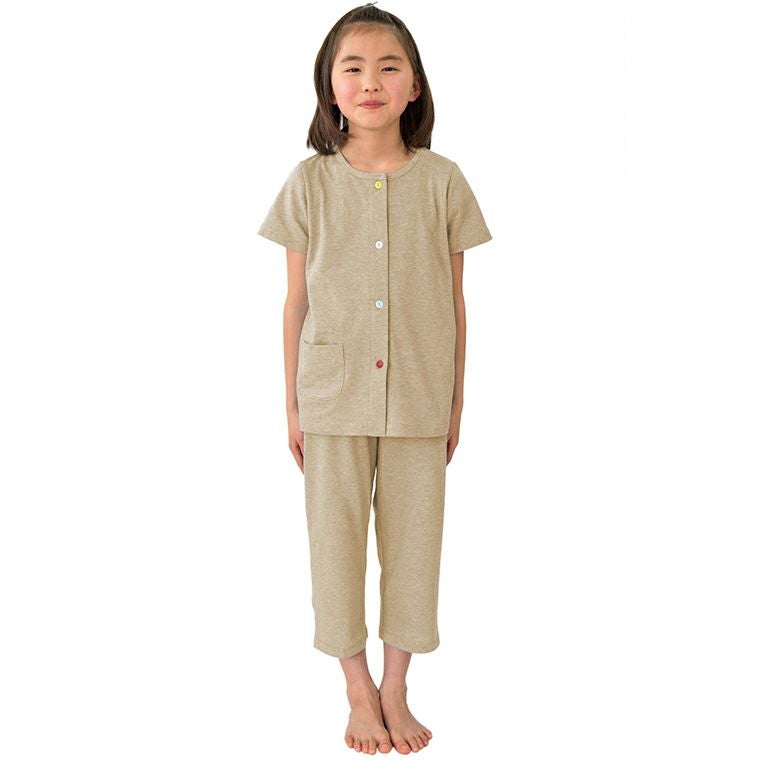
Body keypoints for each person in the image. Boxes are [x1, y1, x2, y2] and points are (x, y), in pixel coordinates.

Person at [257, 3, 492, 754]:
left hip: (420, 395)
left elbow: (456, 301)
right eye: (352, 68)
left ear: (414, 86)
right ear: (329, 88)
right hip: (331, 396)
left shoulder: (445, 182)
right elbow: (294, 302)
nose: (370, 82)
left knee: (416, 547)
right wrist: (291, 404)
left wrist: (457, 401)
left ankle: (397, 685)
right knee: (334, 545)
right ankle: (356, 687)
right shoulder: (309, 183)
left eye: (389, 67)